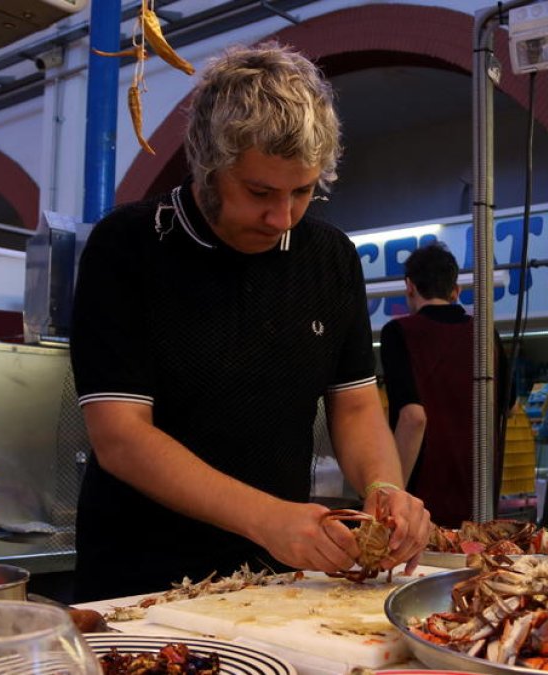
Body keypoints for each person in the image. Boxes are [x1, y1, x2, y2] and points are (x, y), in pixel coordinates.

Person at [69, 42, 431, 601]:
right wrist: (269, 518)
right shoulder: (128, 247)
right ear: (207, 166)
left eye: (303, 192)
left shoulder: (331, 259)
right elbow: (121, 436)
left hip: (274, 580)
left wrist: (384, 488)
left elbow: (356, 408)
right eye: (259, 192)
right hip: (137, 581)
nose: (281, 217)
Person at [378, 243, 510, 527]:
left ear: (409, 286)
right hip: (480, 502)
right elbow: (507, 407)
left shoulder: (398, 333)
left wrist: (392, 495)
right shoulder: (487, 336)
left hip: (421, 506)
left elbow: (413, 417)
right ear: (455, 291)